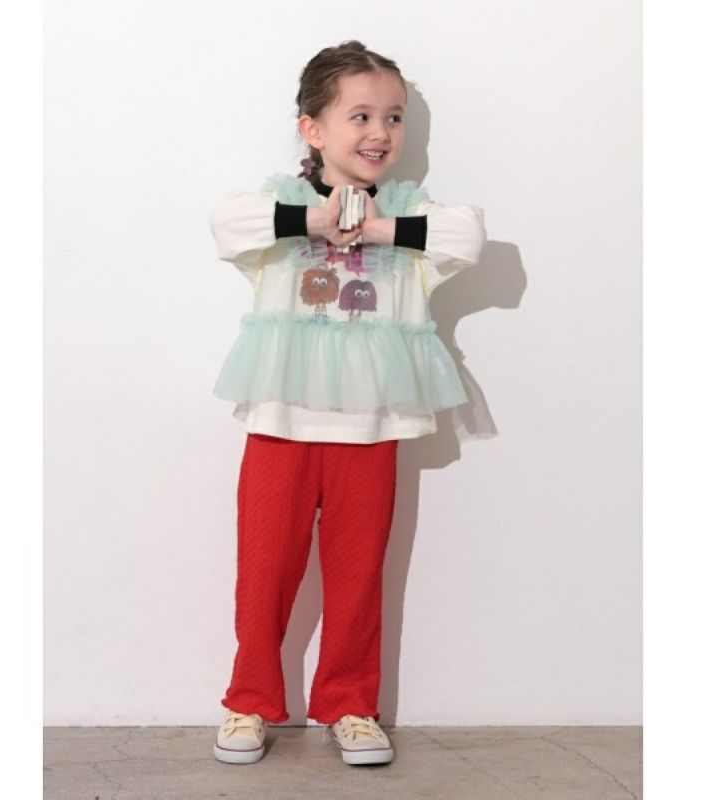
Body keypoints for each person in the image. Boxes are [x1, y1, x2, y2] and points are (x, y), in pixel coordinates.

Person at [208, 40, 487, 767]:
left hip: (371, 426)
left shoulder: (411, 214)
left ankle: (352, 706)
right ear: (313, 128)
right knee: (265, 570)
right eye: (359, 115)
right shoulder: (281, 208)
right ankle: (249, 700)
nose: (380, 132)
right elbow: (227, 223)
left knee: (359, 574)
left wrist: (379, 230)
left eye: (393, 116)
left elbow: (468, 236)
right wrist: (317, 223)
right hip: (281, 422)